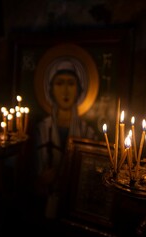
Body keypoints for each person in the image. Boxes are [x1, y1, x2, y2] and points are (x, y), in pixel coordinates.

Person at [34, 58, 97, 219]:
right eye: (60, 83)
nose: (66, 91)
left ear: (79, 89)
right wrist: (41, 179)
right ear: (51, 90)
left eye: (71, 83)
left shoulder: (87, 132)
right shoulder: (41, 129)